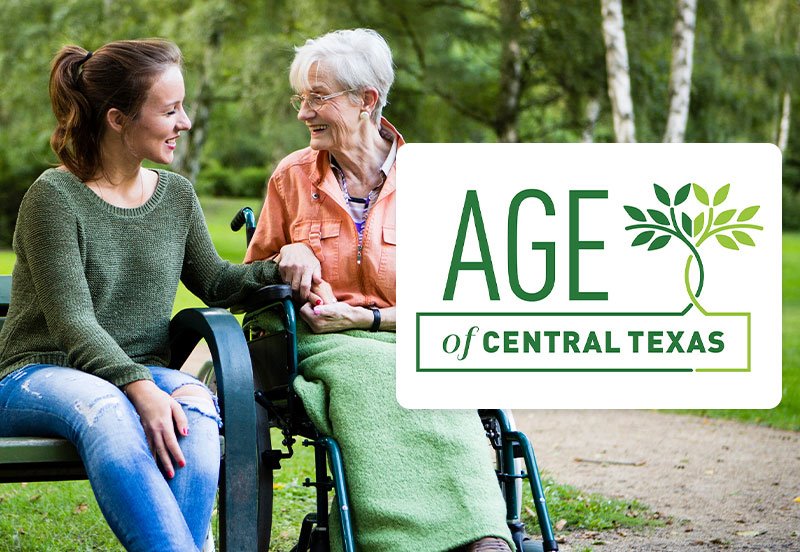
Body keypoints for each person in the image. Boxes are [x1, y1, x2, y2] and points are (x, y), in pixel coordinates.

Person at [0, 39, 278, 552]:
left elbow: (215, 281)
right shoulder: (52, 198)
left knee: (194, 407)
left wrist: (282, 265)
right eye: (170, 110)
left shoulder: (176, 196)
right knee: (109, 406)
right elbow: (73, 323)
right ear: (117, 119)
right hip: (38, 374)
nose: (186, 122)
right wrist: (140, 387)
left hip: (134, 375)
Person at [245, 29, 515, 552]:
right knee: (369, 375)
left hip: (404, 337)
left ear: (366, 100)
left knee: (436, 378)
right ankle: (396, 539)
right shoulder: (292, 177)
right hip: (324, 344)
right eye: (301, 97)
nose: (304, 112)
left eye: (317, 98)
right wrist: (286, 257)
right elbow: (249, 284)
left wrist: (369, 320)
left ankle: (481, 536)